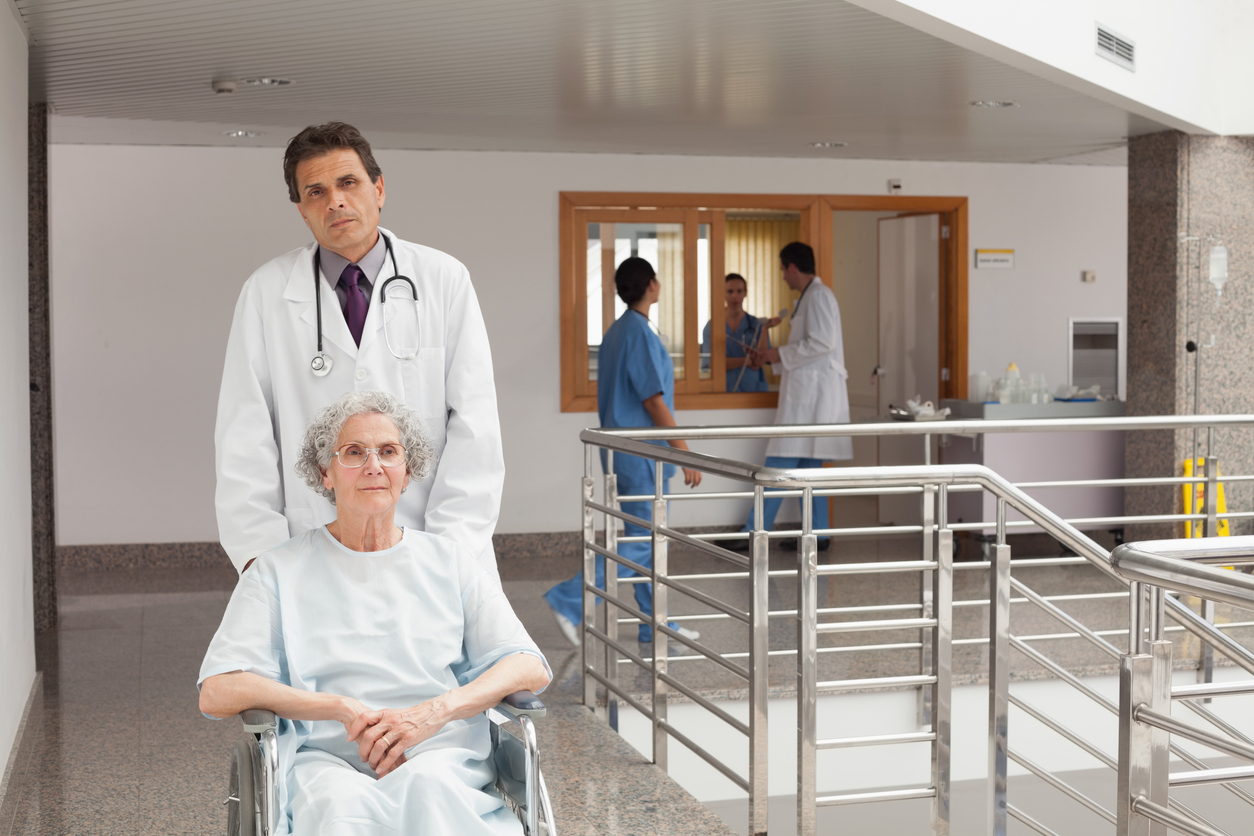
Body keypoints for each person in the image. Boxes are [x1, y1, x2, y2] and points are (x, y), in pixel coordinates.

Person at [199, 391, 550, 835]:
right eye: (353, 452)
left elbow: (527, 665)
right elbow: (218, 690)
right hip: (324, 759)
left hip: (438, 751)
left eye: (388, 452)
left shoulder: (450, 562)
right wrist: (338, 708)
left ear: (407, 472)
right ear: (324, 473)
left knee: (431, 794)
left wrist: (435, 712)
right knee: (339, 811)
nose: (373, 466)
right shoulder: (277, 570)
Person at [215, 121, 504, 578]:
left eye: (348, 182)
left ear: (379, 189)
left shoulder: (443, 280)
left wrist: (454, 548)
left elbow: (475, 424)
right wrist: (260, 555)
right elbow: (244, 434)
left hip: (431, 541)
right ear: (302, 210)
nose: (335, 201)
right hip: (308, 548)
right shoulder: (266, 292)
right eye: (316, 192)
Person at [544, 257, 703, 646]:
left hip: (626, 452)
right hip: (641, 453)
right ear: (651, 285)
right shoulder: (636, 333)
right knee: (646, 542)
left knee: (644, 539)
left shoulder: (618, 331)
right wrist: (684, 451)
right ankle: (569, 599)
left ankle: (654, 623)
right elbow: (653, 400)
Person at [737, 242, 852, 551]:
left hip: (813, 399)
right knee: (808, 470)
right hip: (809, 398)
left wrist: (776, 353)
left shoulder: (819, 296)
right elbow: (809, 348)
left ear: (792, 268)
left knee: (778, 465)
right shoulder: (809, 297)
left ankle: (754, 532)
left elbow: (823, 343)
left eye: (782, 270)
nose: (782, 277)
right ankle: (817, 535)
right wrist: (772, 356)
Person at [700, 273, 782, 393]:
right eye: (730, 291)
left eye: (739, 291)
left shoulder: (756, 324)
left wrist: (765, 329)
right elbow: (711, 364)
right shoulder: (712, 327)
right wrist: (746, 361)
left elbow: (761, 359)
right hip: (724, 389)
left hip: (753, 389)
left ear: (745, 293)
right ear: (722, 293)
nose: (735, 296)